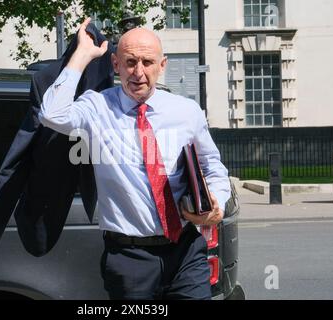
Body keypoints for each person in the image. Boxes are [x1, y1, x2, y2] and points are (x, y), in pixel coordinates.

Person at [38, 17, 230, 300]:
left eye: (147, 62)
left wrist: (217, 200)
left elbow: (212, 165)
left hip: (186, 250)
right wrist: (82, 56)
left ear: (162, 66)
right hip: (129, 258)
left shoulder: (186, 111)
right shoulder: (97, 106)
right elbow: (51, 114)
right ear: (115, 64)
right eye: (129, 62)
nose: (138, 72)